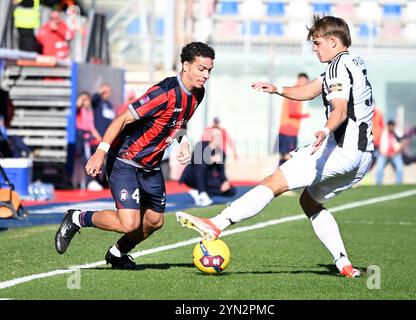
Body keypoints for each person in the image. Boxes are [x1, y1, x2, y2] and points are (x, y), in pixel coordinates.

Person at [176, 16, 374, 278]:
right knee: (309, 203)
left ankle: (217, 223)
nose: (314, 49)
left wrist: (325, 129)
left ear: (334, 41)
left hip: (340, 151)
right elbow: (312, 90)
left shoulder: (337, 66)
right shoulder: (352, 62)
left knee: (273, 182)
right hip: (362, 157)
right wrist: (278, 88)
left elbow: (338, 109)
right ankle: (343, 263)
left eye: (317, 43)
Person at [54, 42, 215, 270]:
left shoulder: (198, 94)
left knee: (154, 221)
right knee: (129, 223)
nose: (206, 75)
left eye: (209, 70)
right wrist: (101, 151)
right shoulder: (164, 92)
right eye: (201, 69)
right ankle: (76, 218)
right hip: (126, 160)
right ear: (186, 66)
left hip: (151, 166)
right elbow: (122, 119)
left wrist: (185, 142)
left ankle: (117, 253)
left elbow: (181, 121)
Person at [180, 128, 236, 206]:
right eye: (216, 135)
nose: (218, 138)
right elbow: (194, 160)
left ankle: (199, 193)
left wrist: (225, 181)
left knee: (231, 190)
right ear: (211, 137)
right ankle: (202, 193)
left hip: (207, 179)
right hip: (192, 177)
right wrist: (210, 159)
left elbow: (221, 171)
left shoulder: (221, 153)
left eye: (220, 136)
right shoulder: (201, 145)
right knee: (201, 163)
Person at [277, 73, 310, 166]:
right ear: (298, 80)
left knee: (284, 158)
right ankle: (281, 179)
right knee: (288, 158)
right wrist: (304, 116)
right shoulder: (295, 93)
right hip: (289, 130)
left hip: (286, 130)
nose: (305, 84)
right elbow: (292, 112)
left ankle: (278, 178)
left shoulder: (293, 91)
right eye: (304, 81)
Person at [375, 120, 404, 185]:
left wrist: (396, 153)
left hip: (395, 155)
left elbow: (402, 144)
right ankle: (378, 184)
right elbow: (379, 143)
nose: (391, 128)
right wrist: (383, 153)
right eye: (389, 126)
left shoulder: (398, 133)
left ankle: (399, 185)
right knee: (379, 169)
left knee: (400, 169)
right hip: (384, 155)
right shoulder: (383, 132)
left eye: (392, 126)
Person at [370, 105, 384, 170]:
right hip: (368, 142)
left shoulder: (379, 113)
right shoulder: (365, 113)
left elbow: (382, 127)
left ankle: (368, 174)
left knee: (375, 158)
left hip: (376, 143)